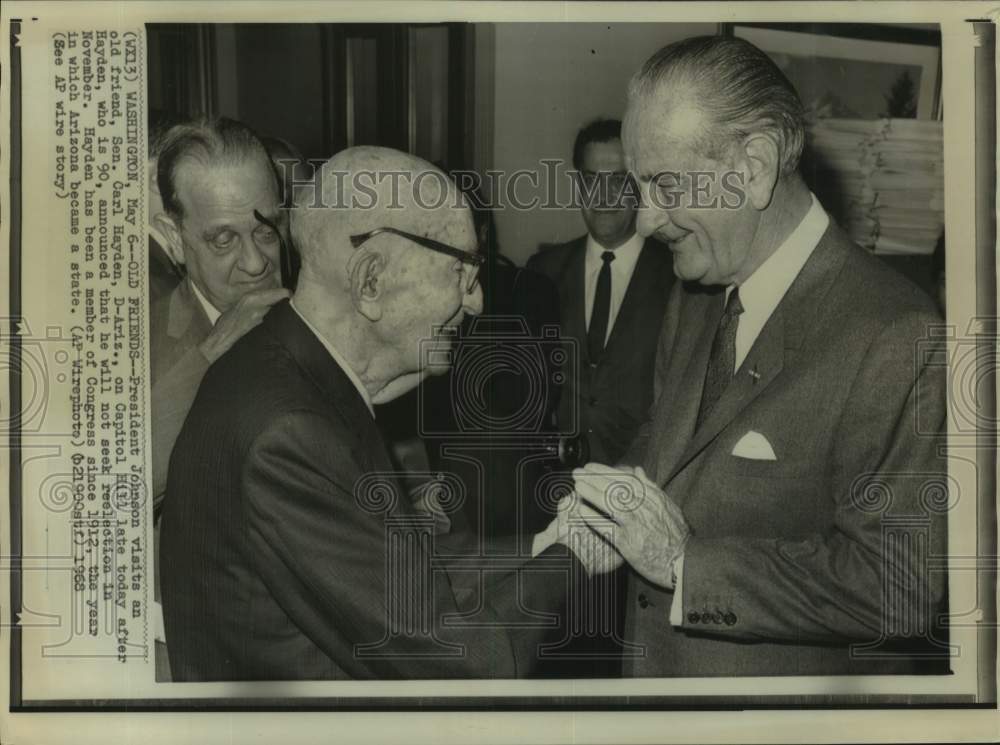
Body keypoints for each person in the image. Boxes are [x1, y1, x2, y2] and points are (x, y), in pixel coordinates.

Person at [160, 146, 615, 681]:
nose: (477, 303)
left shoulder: (287, 372)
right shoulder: (292, 429)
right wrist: (578, 555)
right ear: (370, 282)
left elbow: (403, 581)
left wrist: (547, 545)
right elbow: (456, 662)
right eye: (462, 272)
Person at [571, 35, 949, 677]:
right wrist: (615, 502)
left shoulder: (898, 333)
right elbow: (668, 435)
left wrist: (684, 565)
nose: (645, 221)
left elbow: (900, 585)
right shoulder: (696, 291)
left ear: (753, 166)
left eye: (664, 184)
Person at [149, 117, 290, 507]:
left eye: (267, 231)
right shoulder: (136, 345)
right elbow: (112, 495)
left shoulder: (316, 308)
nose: (256, 263)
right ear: (175, 239)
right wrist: (213, 350)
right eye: (224, 240)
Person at [527, 118, 674, 467]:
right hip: (552, 486)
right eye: (592, 180)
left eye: (619, 181)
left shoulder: (677, 276)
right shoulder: (541, 272)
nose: (604, 196)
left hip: (639, 484)